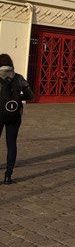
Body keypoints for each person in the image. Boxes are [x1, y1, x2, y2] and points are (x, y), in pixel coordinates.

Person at [0, 54, 33, 185]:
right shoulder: (18, 77)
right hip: (14, 114)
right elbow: (30, 95)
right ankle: (8, 175)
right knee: (11, 144)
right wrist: (18, 98)